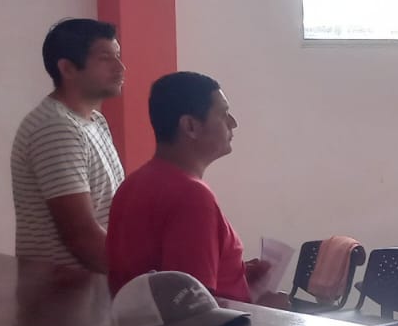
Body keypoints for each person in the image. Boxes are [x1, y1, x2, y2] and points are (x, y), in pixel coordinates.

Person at [105, 73, 284, 308]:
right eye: (223, 114)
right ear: (191, 126)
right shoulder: (191, 196)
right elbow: (191, 310)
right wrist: (268, 312)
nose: (233, 123)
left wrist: (234, 273)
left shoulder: (133, 184)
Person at [10, 19, 126, 271]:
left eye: (117, 56)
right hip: (64, 290)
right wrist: (138, 277)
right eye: (105, 59)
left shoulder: (95, 121)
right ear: (67, 68)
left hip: (93, 286)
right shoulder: (55, 127)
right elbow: (82, 237)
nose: (120, 67)